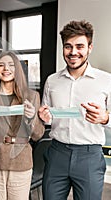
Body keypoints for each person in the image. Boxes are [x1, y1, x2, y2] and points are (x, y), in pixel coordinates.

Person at [38, 20, 111, 200]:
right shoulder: (52, 80)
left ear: (90, 47)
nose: (73, 52)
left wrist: (105, 118)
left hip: (89, 156)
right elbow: (48, 117)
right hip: (56, 153)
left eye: (80, 46)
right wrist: (43, 117)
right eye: (68, 46)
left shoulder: (106, 80)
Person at [0, 51, 44, 200]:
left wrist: (31, 117)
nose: (6, 68)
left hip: (21, 161)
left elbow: (38, 134)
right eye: (1, 65)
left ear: (17, 69)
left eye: (11, 65)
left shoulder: (32, 96)